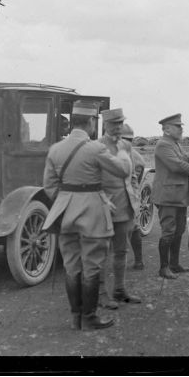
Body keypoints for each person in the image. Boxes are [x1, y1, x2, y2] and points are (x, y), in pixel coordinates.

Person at [42, 100, 131, 331]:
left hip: (64, 214)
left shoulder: (55, 149)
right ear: (92, 122)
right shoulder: (95, 149)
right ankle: (89, 318)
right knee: (91, 266)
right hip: (92, 214)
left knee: (72, 266)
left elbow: (49, 187)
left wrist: (66, 202)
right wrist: (122, 153)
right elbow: (122, 170)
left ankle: (75, 317)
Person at [99, 108, 142, 308]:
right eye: (114, 124)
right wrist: (102, 200)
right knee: (101, 253)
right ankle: (100, 294)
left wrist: (134, 195)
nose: (118, 127)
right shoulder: (96, 147)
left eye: (120, 123)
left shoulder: (126, 145)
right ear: (105, 125)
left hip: (125, 206)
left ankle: (119, 290)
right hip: (105, 208)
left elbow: (132, 177)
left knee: (121, 251)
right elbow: (92, 179)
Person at [152, 113, 189, 279]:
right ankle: (163, 268)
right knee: (168, 231)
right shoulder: (163, 145)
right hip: (168, 196)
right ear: (167, 129)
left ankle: (174, 264)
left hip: (178, 196)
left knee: (178, 230)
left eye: (181, 126)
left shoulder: (174, 144)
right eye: (178, 126)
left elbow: (185, 160)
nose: (181, 129)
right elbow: (177, 165)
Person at [122, 123, 146, 270]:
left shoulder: (113, 153)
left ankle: (138, 260)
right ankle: (138, 261)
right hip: (131, 197)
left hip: (122, 197)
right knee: (134, 227)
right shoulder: (138, 158)